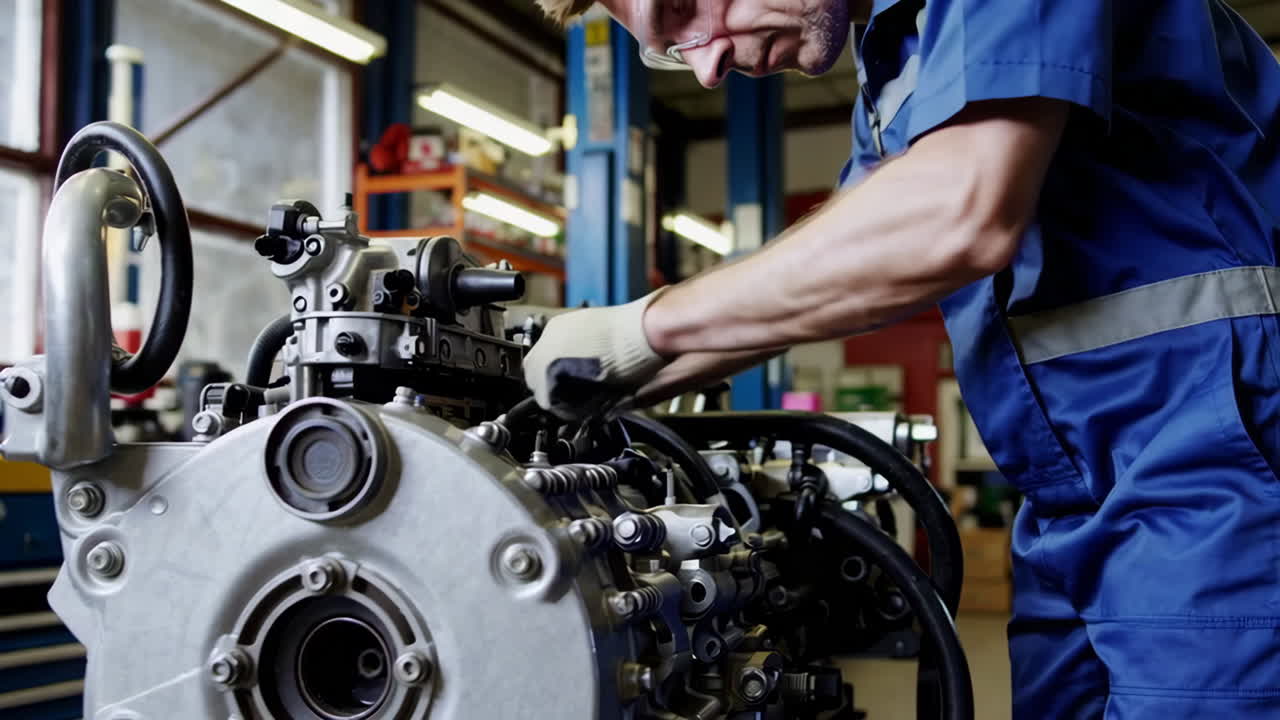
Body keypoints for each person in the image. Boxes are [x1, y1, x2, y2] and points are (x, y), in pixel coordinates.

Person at [525, 1, 1280, 717]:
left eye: (686, 8)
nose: (706, 67)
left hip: (1218, 462)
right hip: (1072, 502)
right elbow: (836, 266)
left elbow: (962, 210)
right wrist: (596, 379)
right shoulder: (899, 58)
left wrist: (644, 327)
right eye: (668, 47)